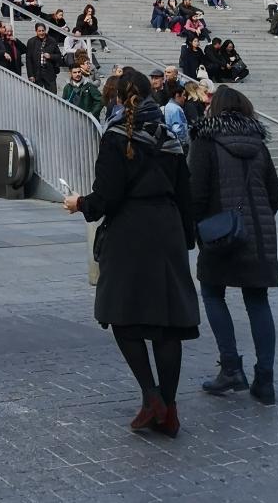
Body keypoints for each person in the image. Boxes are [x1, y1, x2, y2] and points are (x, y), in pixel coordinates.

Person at [62, 67, 197, 437]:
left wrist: (79, 204)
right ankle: (167, 409)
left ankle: (152, 396)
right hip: (166, 229)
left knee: (121, 315)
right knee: (169, 322)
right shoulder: (169, 136)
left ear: (119, 98)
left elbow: (107, 196)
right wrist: (186, 238)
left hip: (129, 231)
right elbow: (185, 193)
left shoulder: (116, 137)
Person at [190, 85, 278, 405]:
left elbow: (196, 196)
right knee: (258, 301)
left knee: (212, 292)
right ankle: (265, 381)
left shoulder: (205, 141)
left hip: (221, 236)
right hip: (259, 235)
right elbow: (276, 195)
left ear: (214, 108)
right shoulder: (259, 143)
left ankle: (231, 368)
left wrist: (201, 229)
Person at [26, 22, 61, 93]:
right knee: (37, 96)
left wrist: (50, 56)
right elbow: (28, 59)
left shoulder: (52, 41)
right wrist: (30, 75)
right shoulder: (31, 42)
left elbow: (59, 55)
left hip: (49, 72)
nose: (41, 33)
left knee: (52, 94)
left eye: (43, 30)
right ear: (36, 31)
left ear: (45, 30)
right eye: (39, 31)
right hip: (36, 73)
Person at [162, 82, 190, 153]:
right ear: (177, 95)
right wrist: (183, 143)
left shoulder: (168, 106)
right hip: (179, 145)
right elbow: (178, 128)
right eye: (183, 95)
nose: (185, 98)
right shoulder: (176, 109)